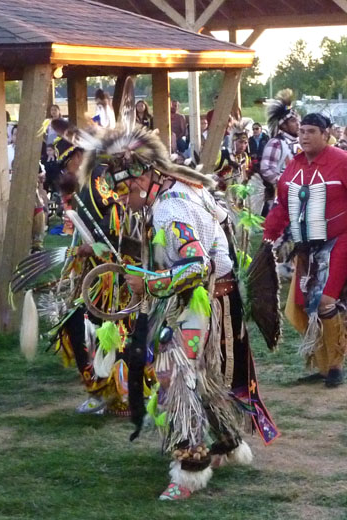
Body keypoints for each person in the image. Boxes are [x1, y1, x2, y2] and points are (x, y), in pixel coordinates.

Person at [81, 124, 278, 501]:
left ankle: (191, 467)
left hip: (201, 298)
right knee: (200, 375)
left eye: (123, 191)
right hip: (210, 298)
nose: (120, 200)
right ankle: (227, 441)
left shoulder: (171, 209)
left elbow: (197, 266)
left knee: (175, 375)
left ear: (143, 177)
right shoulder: (177, 190)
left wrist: (150, 283)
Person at [263, 113, 347, 388]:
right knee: (304, 304)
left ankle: (336, 366)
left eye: (311, 131)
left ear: (326, 134)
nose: (304, 136)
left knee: (326, 301)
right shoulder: (294, 166)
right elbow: (282, 205)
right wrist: (268, 237)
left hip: (340, 239)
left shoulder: (343, 162)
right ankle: (320, 365)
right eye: (302, 131)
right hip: (306, 246)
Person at [259, 89, 301, 215]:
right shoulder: (276, 143)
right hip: (281, 196)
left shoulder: (301, 143)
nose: (298, 124)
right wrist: (283, 182)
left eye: (298, 120)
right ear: (283, 125)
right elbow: (266, 169)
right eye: (293, 121)